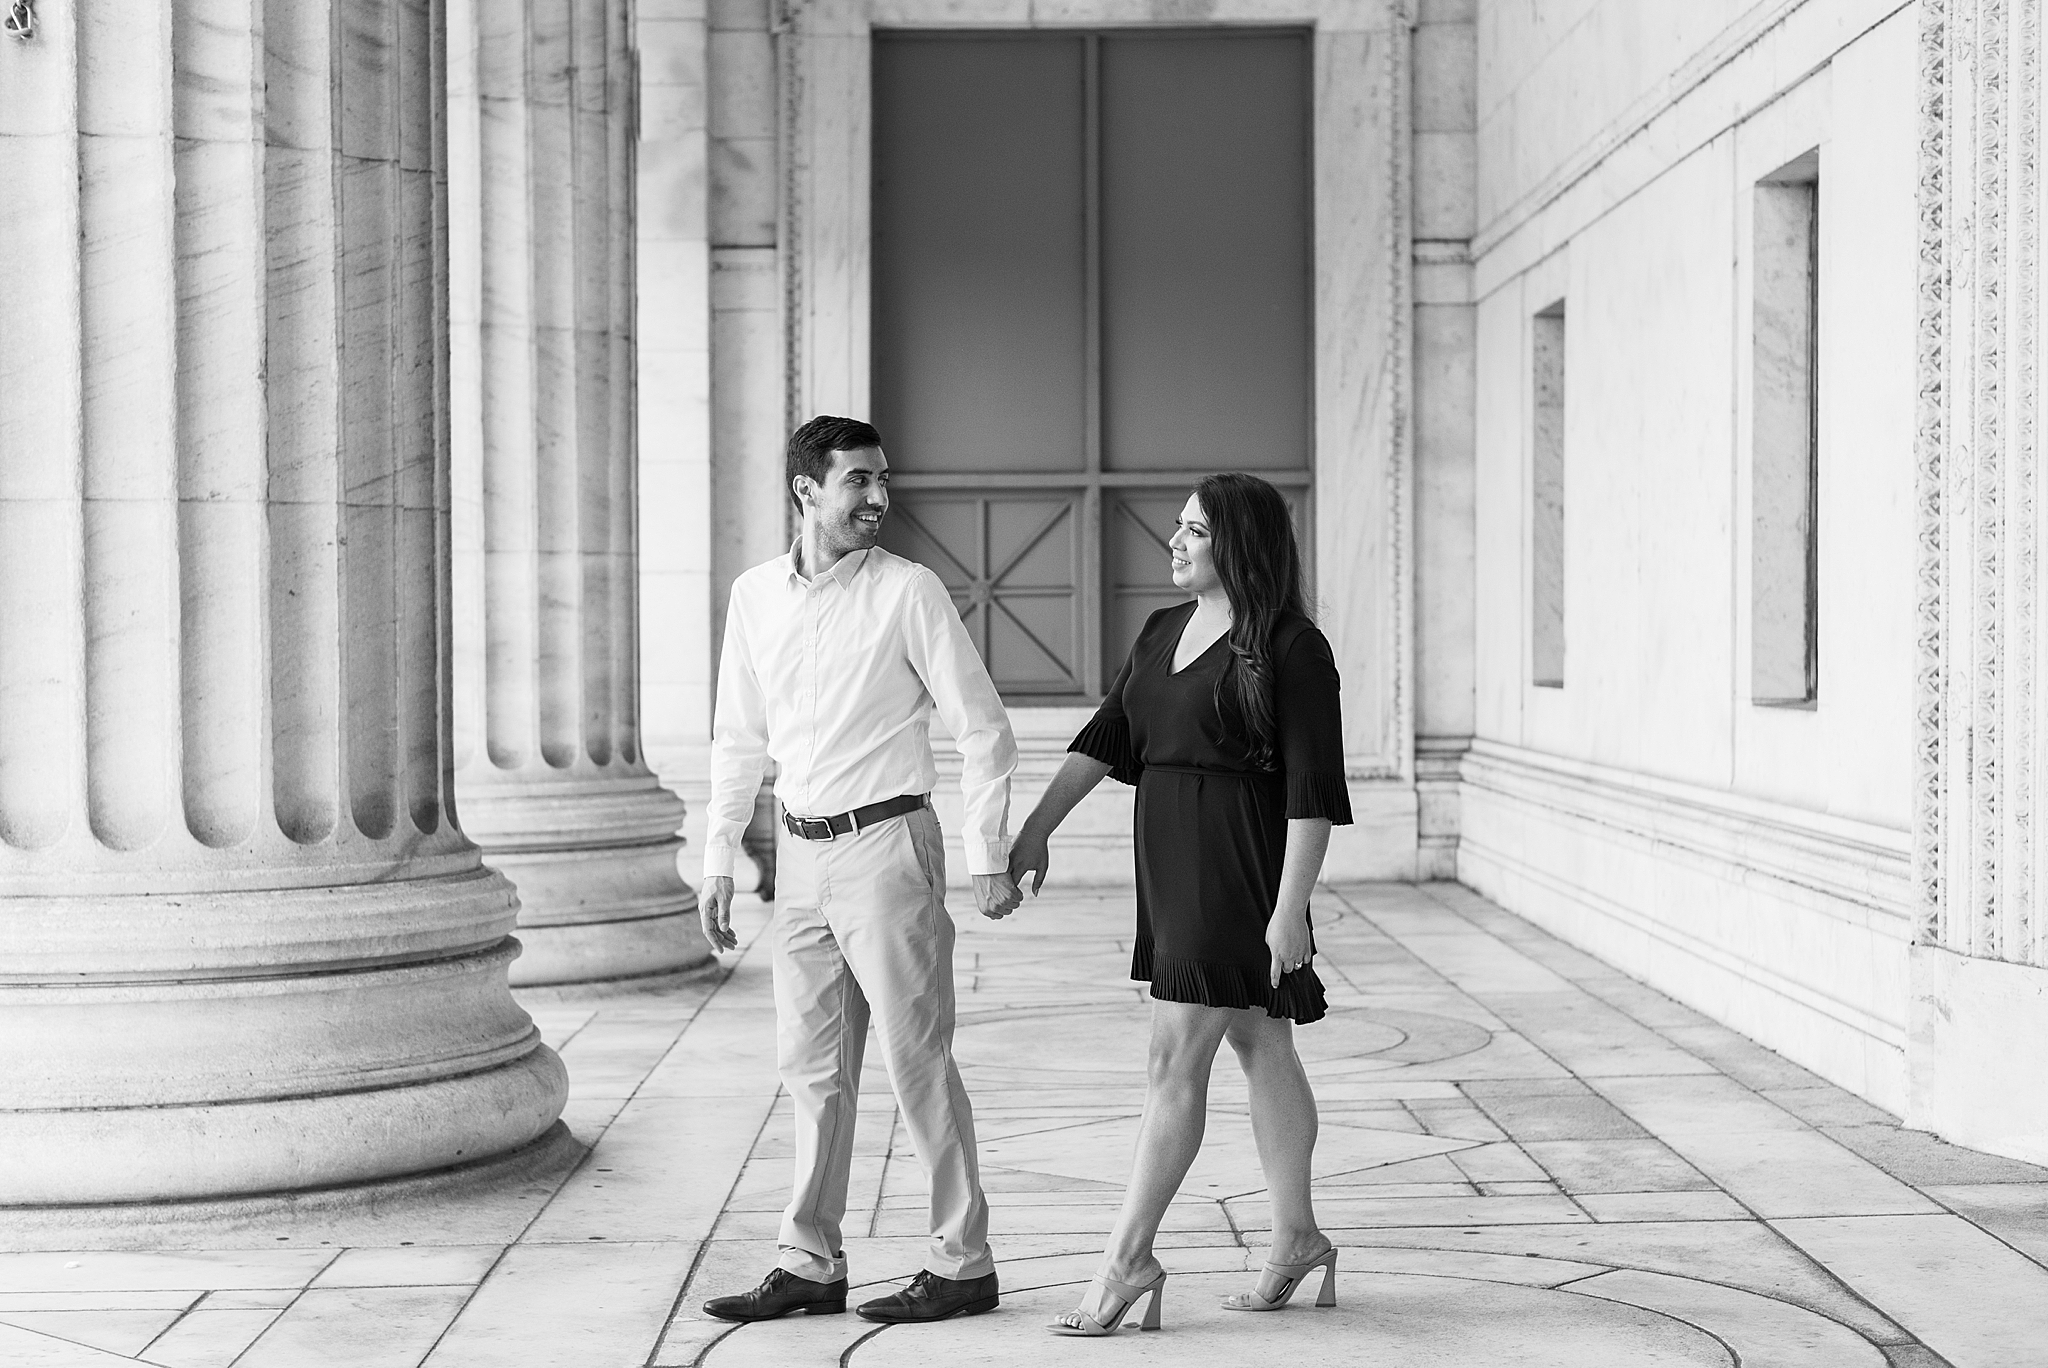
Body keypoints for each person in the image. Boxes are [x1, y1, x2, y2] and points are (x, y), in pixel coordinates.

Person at [1007, 471, 1352, 1336]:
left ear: (1237, 544)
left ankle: (1128, 1259)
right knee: (1258, 1037)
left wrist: (1289, 910)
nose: (1175, 541)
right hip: (1169, 861)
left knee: (1172, 1059)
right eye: (1179, 526)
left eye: (1195, 530)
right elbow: (1108, 735)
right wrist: (1036, 828)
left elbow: (1313, 793)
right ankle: (1299, 1239)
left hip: (1236, 866)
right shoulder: (1164, 628)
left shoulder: (1292, 646)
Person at [698, 416, 1025, 1327]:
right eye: (859, 482)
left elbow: (982, 724)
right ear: (807, 489)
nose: (879, 497)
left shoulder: (908, 592)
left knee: (916, 1059)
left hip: (887, 846)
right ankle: (810, 1259)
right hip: (798, 853)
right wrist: (720, 854)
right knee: (811, 1068)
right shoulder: (754, 596)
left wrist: (985, 854)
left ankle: (963, 1262)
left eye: (883, 480)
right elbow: (737, 737)